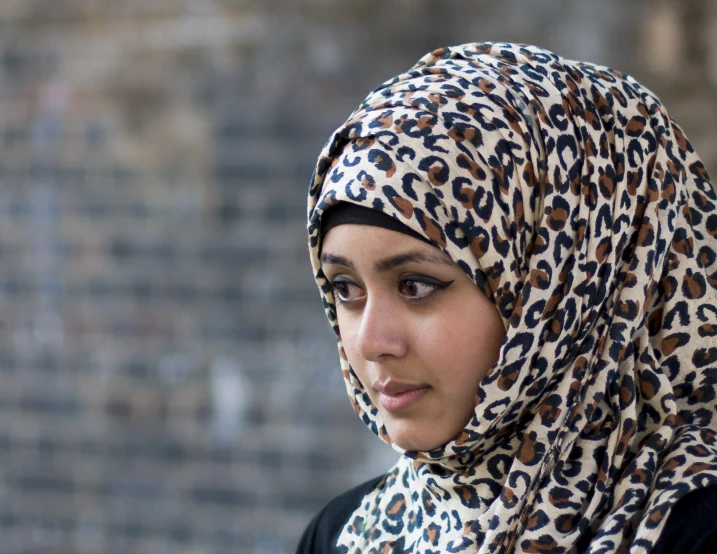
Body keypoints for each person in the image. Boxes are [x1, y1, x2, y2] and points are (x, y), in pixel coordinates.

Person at [299, 42, 717, 553]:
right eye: (346, 290)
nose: (369, 342)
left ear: (563, 291)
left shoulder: (692, 533)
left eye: (416, 286)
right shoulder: (344, 535)